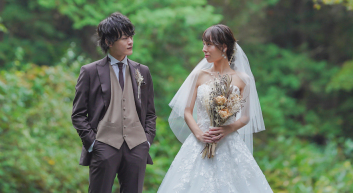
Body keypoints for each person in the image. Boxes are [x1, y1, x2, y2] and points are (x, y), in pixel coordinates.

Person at [158, 24, 272, 193]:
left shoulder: (243, 79)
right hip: (199, 142)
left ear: (224, 47)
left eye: (209, 44)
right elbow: (187, 111)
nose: (204, 49)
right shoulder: (199, 75)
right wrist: (199, 134)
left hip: (229, 143)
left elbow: (246, 117)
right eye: (204, 44)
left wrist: (227, 129)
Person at [71, 12, 157, 193]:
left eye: (131, 36)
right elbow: (78, 114)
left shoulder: (143, 71)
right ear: (109, 42)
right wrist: (93, 143)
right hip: (103, 146)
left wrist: (146, 142)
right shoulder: (90, 72)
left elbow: (150, 113)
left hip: (136, 147)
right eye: (124, 38)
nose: (130, 41)